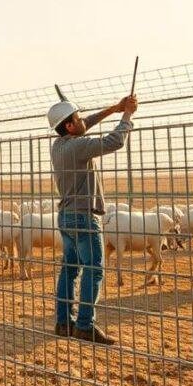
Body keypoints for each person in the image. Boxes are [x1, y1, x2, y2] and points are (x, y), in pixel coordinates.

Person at [48, 94, 137, 345]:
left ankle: (64, 322)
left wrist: (115, 108)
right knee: (94, 269)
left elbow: (86, 123)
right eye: (76, 118)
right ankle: (85, 325)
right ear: (68, 126)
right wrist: (127, 116)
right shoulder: (79, 146)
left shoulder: (60, 146)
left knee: (70, 269)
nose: (81, 121)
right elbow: (114, 141)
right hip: (84, 216)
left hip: (65, 217)